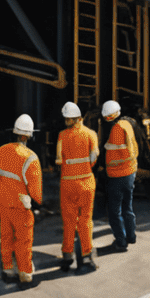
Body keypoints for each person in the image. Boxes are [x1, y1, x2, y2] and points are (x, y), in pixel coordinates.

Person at [0, 115, 42, 287]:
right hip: (21, 205)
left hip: (3, 202)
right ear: (27, 136)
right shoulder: (31, 157)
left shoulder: (0, 151)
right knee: (23, 240)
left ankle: (8, 270)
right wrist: (37, 203)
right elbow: (35, 190)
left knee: (6, 236)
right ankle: (25, 273)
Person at [56, 102, 99, 272]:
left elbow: (59, 160)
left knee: (68, 221)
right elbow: (94, 156)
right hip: (86, 182)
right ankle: (86, 256)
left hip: (68, 183)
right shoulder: (91, 134)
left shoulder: (62, 136)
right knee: (85, 220)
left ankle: (67, 255)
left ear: (68, 120)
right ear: (80, 118)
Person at [101, 100, 138, 252]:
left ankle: (121, 242)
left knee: (114, 212)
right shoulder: (127, 125)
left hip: (117, 175)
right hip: (130, 172)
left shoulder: (116, 129)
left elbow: (112, 150)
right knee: (127, 207)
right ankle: (131, 236)